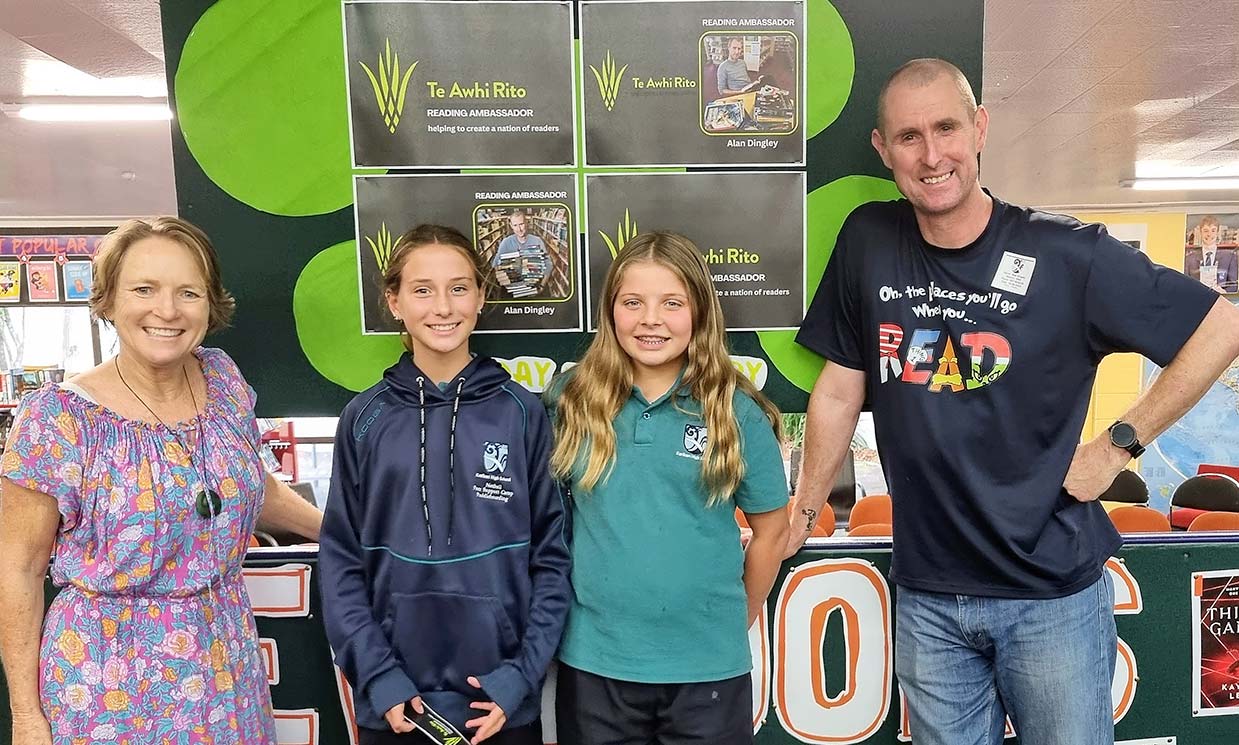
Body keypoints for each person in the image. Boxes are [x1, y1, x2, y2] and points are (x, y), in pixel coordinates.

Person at [785, 58, 1239, 745]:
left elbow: (1221, 326)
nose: (931, 154)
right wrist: (806, 509)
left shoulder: (1065, 253)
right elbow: (840, 388)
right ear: (882, 149)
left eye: (946, 128)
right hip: (929, 597)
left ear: (979, 129)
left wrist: (1118, 442)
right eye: (908, 136)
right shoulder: (866, 242)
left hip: (1049, 595)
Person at [0, 216, 323, 745]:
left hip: (227, 667)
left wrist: (338, 533)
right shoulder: (56, 420)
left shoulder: (222, 381)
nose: (167, 310)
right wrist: (26, 716)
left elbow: (247, 487)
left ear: (210, 304)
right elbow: (18, 569)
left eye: (188, 292)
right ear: (107, 298)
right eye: (143, 289)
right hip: (106, 683)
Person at [318, 224, 570, 745]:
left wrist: (519, 676)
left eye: (459, 288)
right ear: (394, 302)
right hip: (395, 702)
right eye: (422, 289)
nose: (443, 307)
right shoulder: (363, 417)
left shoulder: (522, 413)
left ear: (480, 296)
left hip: (498, 703)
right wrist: (379, 677)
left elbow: (552, 558)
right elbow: (340, 560)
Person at [547, 232, 789, 745]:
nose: (650, 319)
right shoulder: (571, 401)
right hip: (597, 662)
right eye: (632, 302)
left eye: (671, 303)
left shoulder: (736, 411)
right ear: (611, 312)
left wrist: (736, 618)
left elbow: (772, 530)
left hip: (708, 669)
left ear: (699, 313)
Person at [491, 212, 549, 297]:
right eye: (515, 225)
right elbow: (495, 266)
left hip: (533, 289)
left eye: (521, 224)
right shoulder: (505, 243)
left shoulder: (537, 241)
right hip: (512, 291)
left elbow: (548, 265)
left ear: (526, 222)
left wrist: (542, 286)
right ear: (511, 226)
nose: (519, 229)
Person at [1184, 215, 1238, 293]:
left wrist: (1223, 292)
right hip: (1197, 299)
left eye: (1213, 230)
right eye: (1206, 231)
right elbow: (1186, 284)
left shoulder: (1230, 257)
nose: (1209, 234)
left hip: (1220, 301)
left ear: (1217, 233)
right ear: (1200, 232)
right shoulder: (1189, 259)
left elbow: (1234, 285)